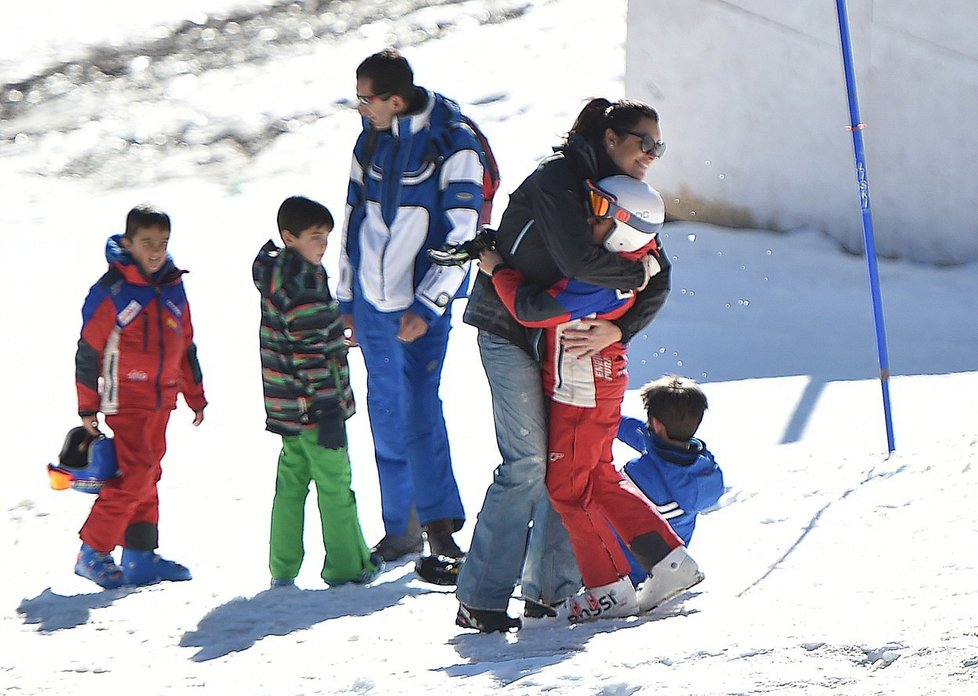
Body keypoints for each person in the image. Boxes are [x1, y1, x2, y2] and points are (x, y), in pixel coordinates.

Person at [451, 98, 679, 632]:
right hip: (510, 328)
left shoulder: (625, 197)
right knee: (527, 462)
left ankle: (551, 594)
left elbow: (659, 275)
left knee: (564, 462)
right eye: (644, 143)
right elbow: (580, 260)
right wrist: (632, 276)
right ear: (610, 140)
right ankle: (480, 598)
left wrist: (620, 326)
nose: (652, 155)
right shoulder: (560, 179)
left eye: (659, 147)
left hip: (561, 342)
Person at [480, 174, 703, 623]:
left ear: (624, 227)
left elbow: (530, 308)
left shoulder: (599, 280)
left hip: (580, 388)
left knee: (567, 489)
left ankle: (609, 588)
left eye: (601, 213)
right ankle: (668, 562)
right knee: (600, 477)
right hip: (595, 382)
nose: (588, 220)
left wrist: (496, 269)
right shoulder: (633, 261)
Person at [337, 48, 484, 562]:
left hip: (418, 309)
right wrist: (346, 299)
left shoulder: (454, 141)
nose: (361, 108)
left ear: (394, 100)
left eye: (366, 99)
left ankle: (442, 531)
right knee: (384, 412)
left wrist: (429, 303)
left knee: (420, 411)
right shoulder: (370, 138)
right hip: (372, 308)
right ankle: (401, 529)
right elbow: (353, 217)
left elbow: (464, 234)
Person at [73, 204, 206, 589]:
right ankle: (92, 550)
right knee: (135, 475)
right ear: (128, 242)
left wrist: (194, 394)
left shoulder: (173, 287)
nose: (154, 251)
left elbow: (186, 346)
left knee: (150, 475)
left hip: (161, 399)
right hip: (125, 398)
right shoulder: (111, 292)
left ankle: (140, 557)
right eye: (146, 242)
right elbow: (88, 351)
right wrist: (87, 404)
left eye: (162, 243)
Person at [253, 196, 382, 588]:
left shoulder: (279, 273)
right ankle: (346, 565)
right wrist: (327, 405)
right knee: (334, 482)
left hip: (286, 405)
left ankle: (283, 565)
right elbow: (309, 352)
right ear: (288, 237)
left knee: (291, 484)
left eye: (326, 236)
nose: (322, 245)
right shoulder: (303, 282)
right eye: (314, 237)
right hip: (313, 406)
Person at [616, 375, 724, 587]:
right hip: (668, 563)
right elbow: (649, 439)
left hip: (625, 571)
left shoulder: (640, 473)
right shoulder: (701, 462)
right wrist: (611, 420)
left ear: (656, 424)